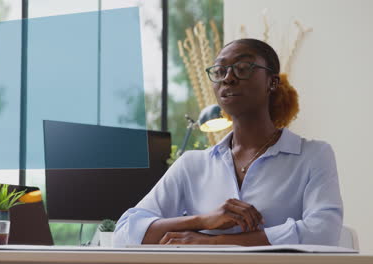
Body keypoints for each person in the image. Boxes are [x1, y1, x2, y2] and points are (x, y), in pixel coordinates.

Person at [113, 38, 343, 247]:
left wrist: (215, 242)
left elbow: (323, 232)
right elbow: (124, 233)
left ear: (272, 83)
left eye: (243, 68)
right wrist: (204, 220)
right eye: (220, 70)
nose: (228, 78)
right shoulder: (192, 164)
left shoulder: (313, 155)